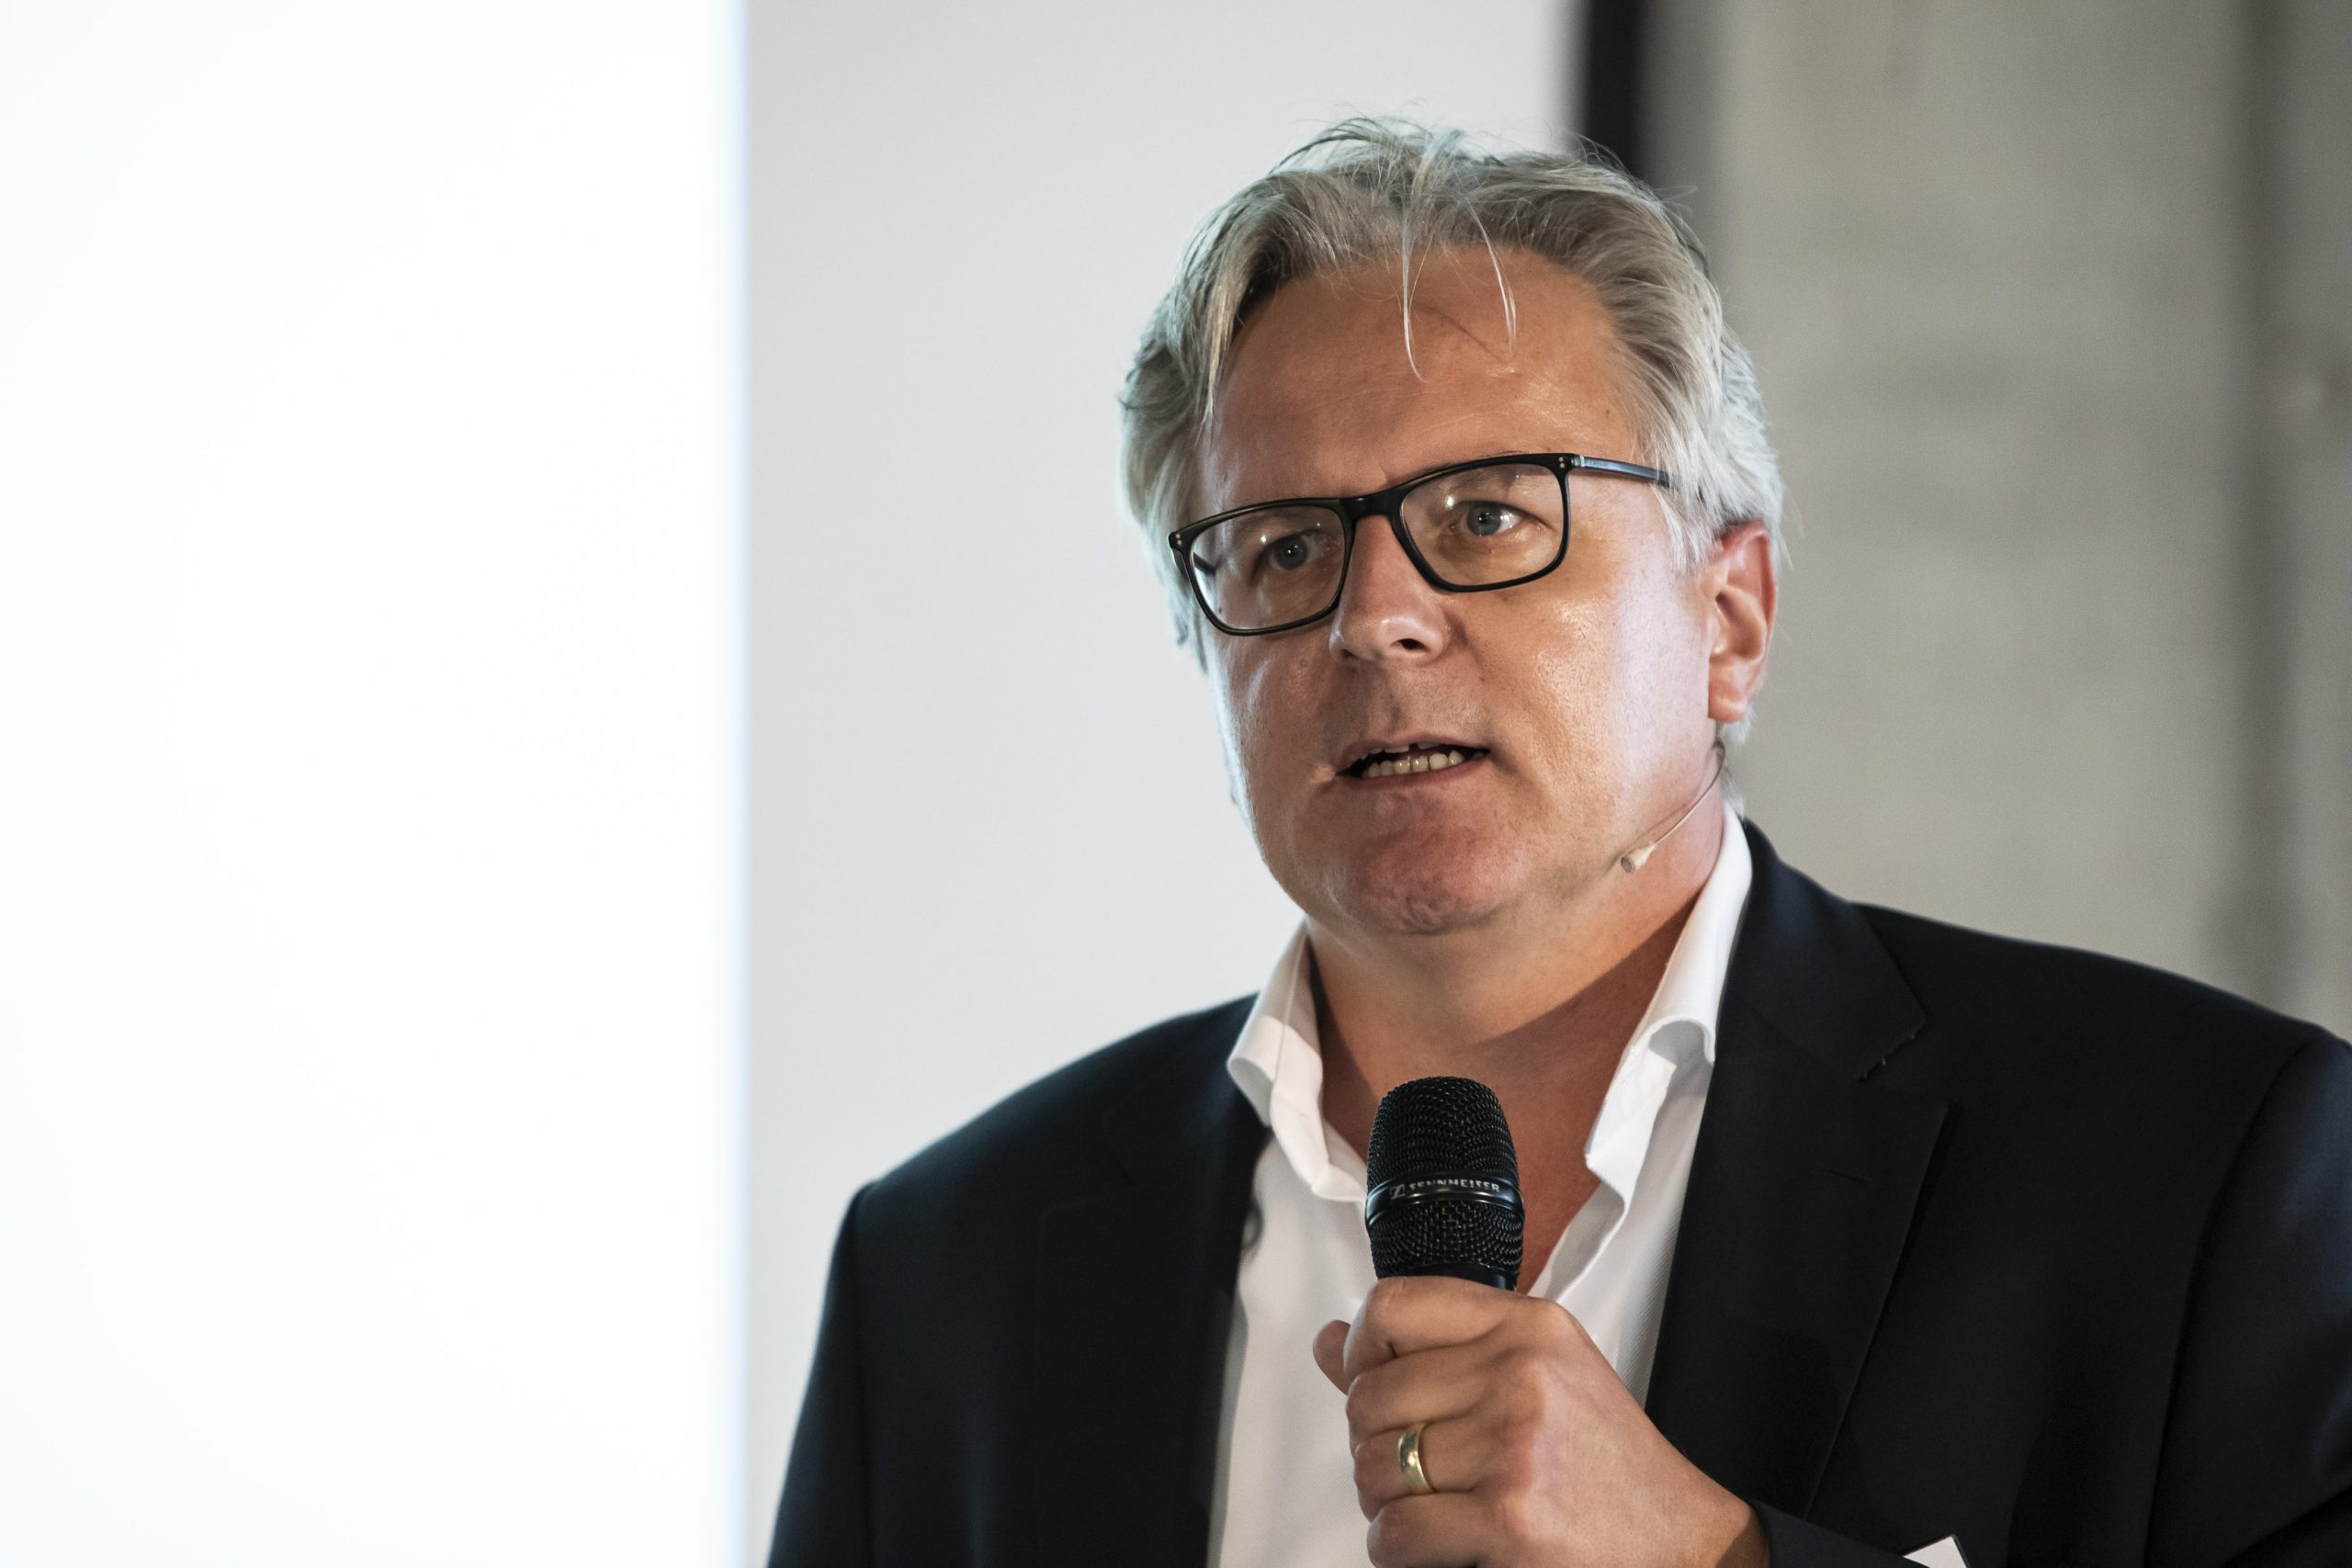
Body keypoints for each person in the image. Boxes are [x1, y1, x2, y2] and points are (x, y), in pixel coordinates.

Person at [769, 119, 2352, 1567]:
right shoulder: (947, 1274)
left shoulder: (2202, 1172)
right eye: (1286, 547)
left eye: (1488, 517)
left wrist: (1720, 1563)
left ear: (1730, 617)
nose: (1376, 619)